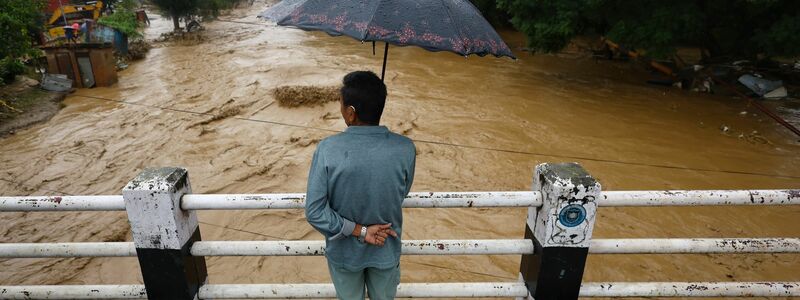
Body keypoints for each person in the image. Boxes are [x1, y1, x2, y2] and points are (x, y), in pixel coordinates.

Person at [305, 71, 416, 300]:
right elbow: (400, 193)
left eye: (341, 104)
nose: (340, 109)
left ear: (351, 113)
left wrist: (360, 230)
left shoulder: (327, 149)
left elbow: (315, 212)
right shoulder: (405, 148)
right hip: (386, 248)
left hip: (344, 256)